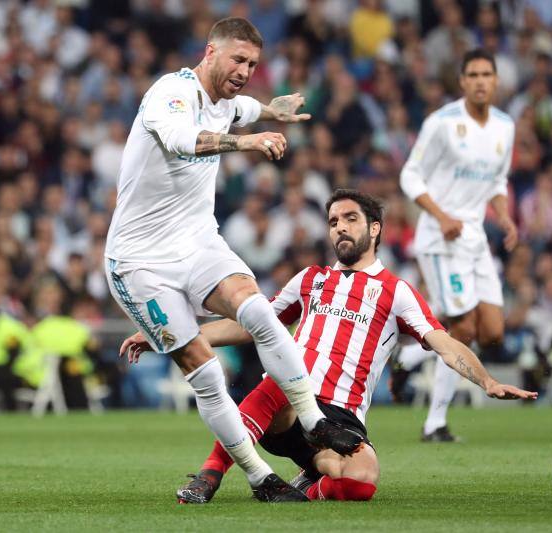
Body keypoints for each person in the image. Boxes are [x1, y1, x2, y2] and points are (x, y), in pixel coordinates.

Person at [120, 189, 537, 503]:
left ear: (373, 229)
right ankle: (209, 474)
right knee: (279, 380)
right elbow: (246, 324)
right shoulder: (310, 279)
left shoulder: (396, 291)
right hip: (288, 404)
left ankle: (311, 483)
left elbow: (445, 343)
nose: (340, 226)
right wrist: (166, 334)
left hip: (341, 419)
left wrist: (486, 381)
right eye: (334, 220)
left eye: (351, 218)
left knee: (360, 484)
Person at [104, 17, 363, 503]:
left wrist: (271, 110)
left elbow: (242, 107)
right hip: (140, 262)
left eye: (253, 63)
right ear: (210, 53)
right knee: (206, 373)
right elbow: (183, 140)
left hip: (197, 241)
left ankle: (314, 420)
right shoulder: (170, 94)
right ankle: (260, 475)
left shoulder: (228, 100)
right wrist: (247, 141)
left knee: (260, 312)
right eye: (238, 59)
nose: (245, 70)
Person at [395, 49, 517, 441]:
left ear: (496, 81)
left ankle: (411, 354)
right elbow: (410, 176)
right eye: (474, 74)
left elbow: (497, 182)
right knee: (463, 327)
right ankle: (436, 423)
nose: (481, 81)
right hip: (440, 238)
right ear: (462, 81)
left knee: (493, 331)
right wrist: (441, 215)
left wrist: (505, 216)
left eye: (487, 74)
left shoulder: (504, 126)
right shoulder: (442, 123)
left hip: (476, 237)